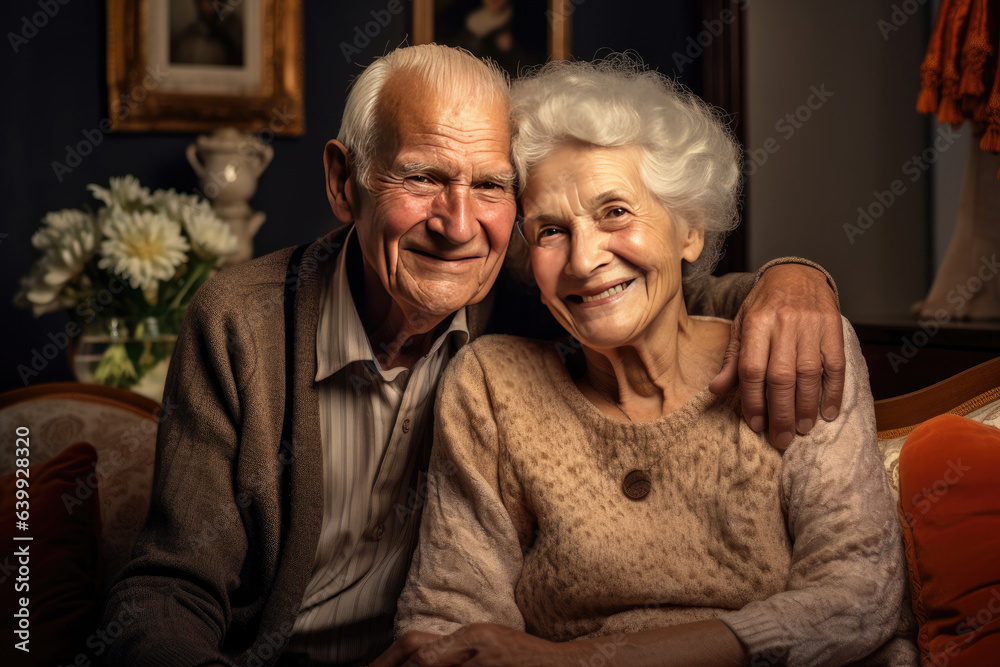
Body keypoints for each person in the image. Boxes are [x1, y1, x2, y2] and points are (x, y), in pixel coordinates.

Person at [101, 45, 846, 666]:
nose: (458, 225)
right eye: (423, 176)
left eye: (490, 185)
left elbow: (659, 290)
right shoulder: (242, 322)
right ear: (344, 180)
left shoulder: (535, 291)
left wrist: (796, 279)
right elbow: (168, 588)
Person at [381, 57, 916, 666]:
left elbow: (858, 600)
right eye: (551, 230)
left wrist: (587, 661)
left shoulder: (791, 350)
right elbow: (449, 618)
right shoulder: (492, 385)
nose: (583, 261)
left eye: (615, 212)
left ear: (689, 230)